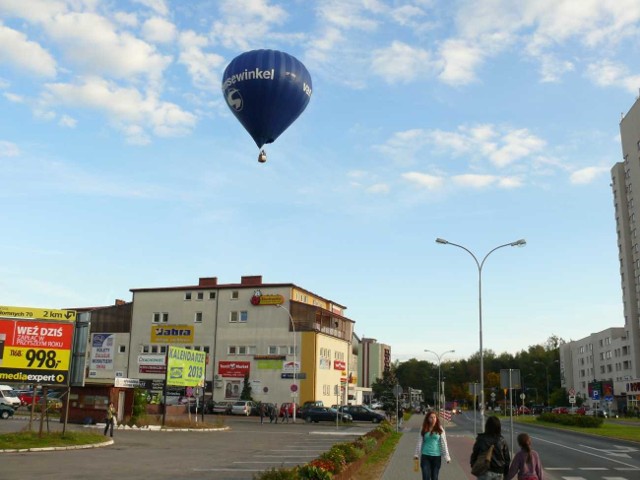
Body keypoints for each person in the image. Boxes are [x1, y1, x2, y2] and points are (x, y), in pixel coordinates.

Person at [413, 410, 451, 480]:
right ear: (428, 419)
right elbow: (419, 442)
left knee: (434, 477)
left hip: (436, 457)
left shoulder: (440, 429)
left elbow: (444, 443)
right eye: (431, 417)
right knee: (426, 477)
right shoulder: (424, 428)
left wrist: (447, 457)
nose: (433, 419)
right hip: (425, 456)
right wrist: (416, 454)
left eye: (434, 417)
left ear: (436, 419)